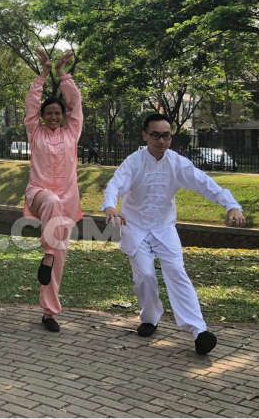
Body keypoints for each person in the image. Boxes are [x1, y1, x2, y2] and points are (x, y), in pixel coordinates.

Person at [102, 113, 245, 355]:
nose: (161, 140)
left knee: (177, 272)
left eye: (166, 135)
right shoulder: (134, 161)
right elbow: (116, 184)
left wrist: (231, 205)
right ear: (145, 135)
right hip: (135, 226)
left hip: (164, 228)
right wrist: (110, 206)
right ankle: (150, 318)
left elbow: (205, 183)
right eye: (155, 135)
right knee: (145, 276)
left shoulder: (177, 163)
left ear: (171, 137)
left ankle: (199, 331)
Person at [23, 49, 83, 333]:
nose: (54, 116)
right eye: (49, 113)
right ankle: (47, 251)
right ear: (43, 116)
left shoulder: (72, 132)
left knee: (59, 260)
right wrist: (44, 73)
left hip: (65, 205)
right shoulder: (35, 132)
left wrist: (63, 73)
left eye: (58, 112)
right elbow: (31, 103)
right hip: (40, 196)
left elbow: (76, 102)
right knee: (51, 201)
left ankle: (49, 312)